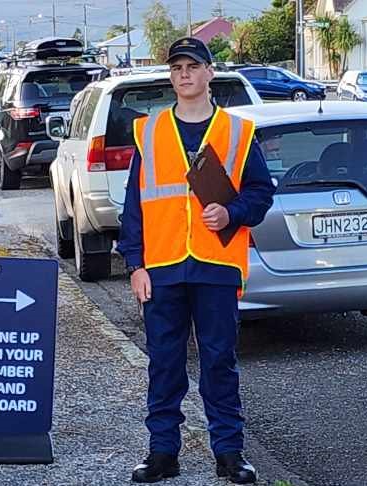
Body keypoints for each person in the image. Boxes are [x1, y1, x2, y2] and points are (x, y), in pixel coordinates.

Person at [116, 37, 276, 485]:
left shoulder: (237, 132)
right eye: (177, 68)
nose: (184, 74)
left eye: (193, 66)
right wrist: (135, 263)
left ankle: (230, 454)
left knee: (219, 363)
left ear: (210, 73)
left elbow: (262, 194)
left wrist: (232, 212)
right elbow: (134, 204)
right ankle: (162, 453)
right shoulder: (149, 131)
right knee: (164, 364)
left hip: (216, 264)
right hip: (163, 265)